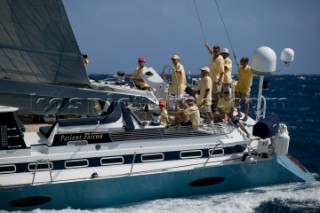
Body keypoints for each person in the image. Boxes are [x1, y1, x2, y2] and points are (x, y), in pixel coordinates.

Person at [234, 57, 255, 121]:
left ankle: (246, 115)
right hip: (238, 87)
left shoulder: (250, 69)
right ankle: (239, 113)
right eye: (240, 61)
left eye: (242, 61)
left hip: (245, 88)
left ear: (246, 62)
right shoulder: (240, 68)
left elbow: (255, 74)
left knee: (246, 102)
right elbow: (239, 77)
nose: (240, 63)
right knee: (236, 100)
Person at [205, 43, 224, 110]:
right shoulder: (214, 55)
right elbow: (211, 52)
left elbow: (222, 71)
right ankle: (213, 106)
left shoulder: (220, 59)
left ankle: (216, 108)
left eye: (216, 51)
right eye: (214, 51)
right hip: (211, 78)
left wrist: (219, 80)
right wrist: (207, 46)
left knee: (217, 95)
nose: (215, 52)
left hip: (217, 79)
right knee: (212, 93)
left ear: (219, 52)